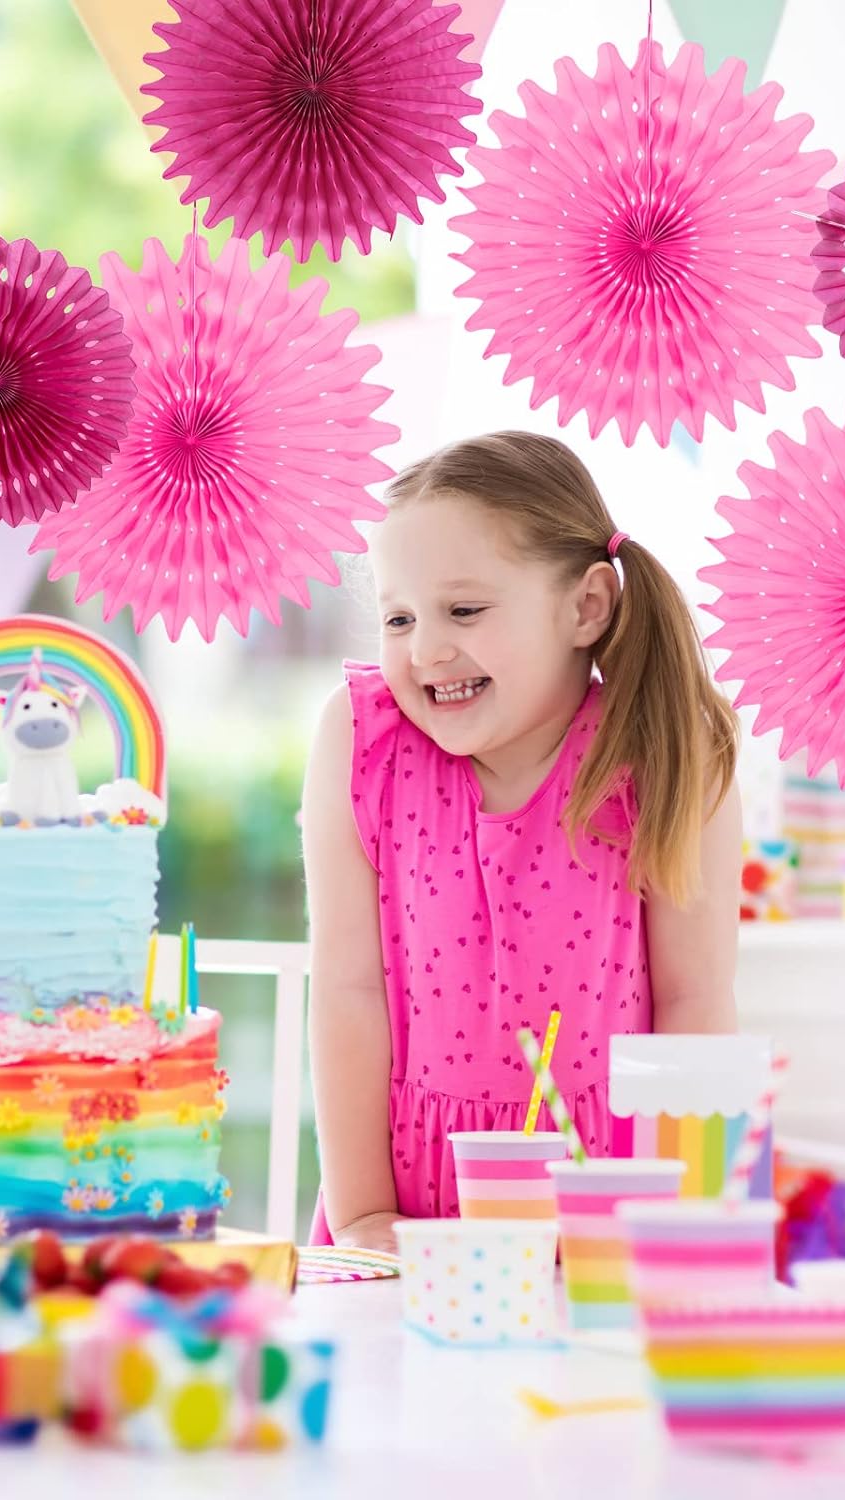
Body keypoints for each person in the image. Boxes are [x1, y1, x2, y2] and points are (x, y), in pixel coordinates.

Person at [302, 431, 741, 1252]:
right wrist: (363, 1212)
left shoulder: (669, 750)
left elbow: (696, 1001)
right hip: (400, 1221)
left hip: (606, 1215)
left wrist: (674, 1225)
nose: (426, 647)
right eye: (399, 617)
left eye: (464, 609)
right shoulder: (364, 743)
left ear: (587, 606)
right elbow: (347, 989)